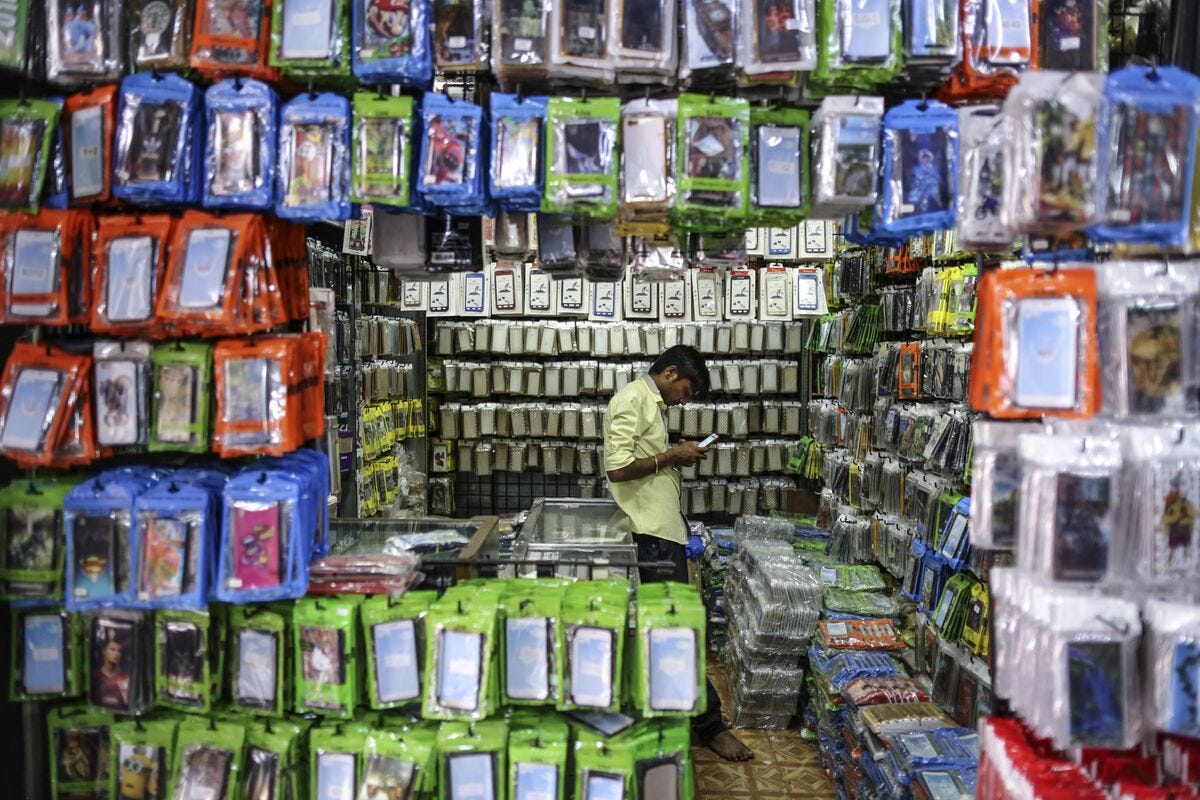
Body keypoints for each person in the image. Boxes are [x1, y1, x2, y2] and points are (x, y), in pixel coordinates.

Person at [603, 344, 753, 762]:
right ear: (670, 373)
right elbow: (617, 468)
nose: (685, 400)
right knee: (676, 630)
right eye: (686, 390)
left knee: (670, 629)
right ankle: (710, 725)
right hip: (651, 533)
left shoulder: (648, 403)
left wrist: (672, 457)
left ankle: (678, 715)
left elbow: (640, 459)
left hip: (661, 529)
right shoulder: (632, 400)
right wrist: (671, 455)